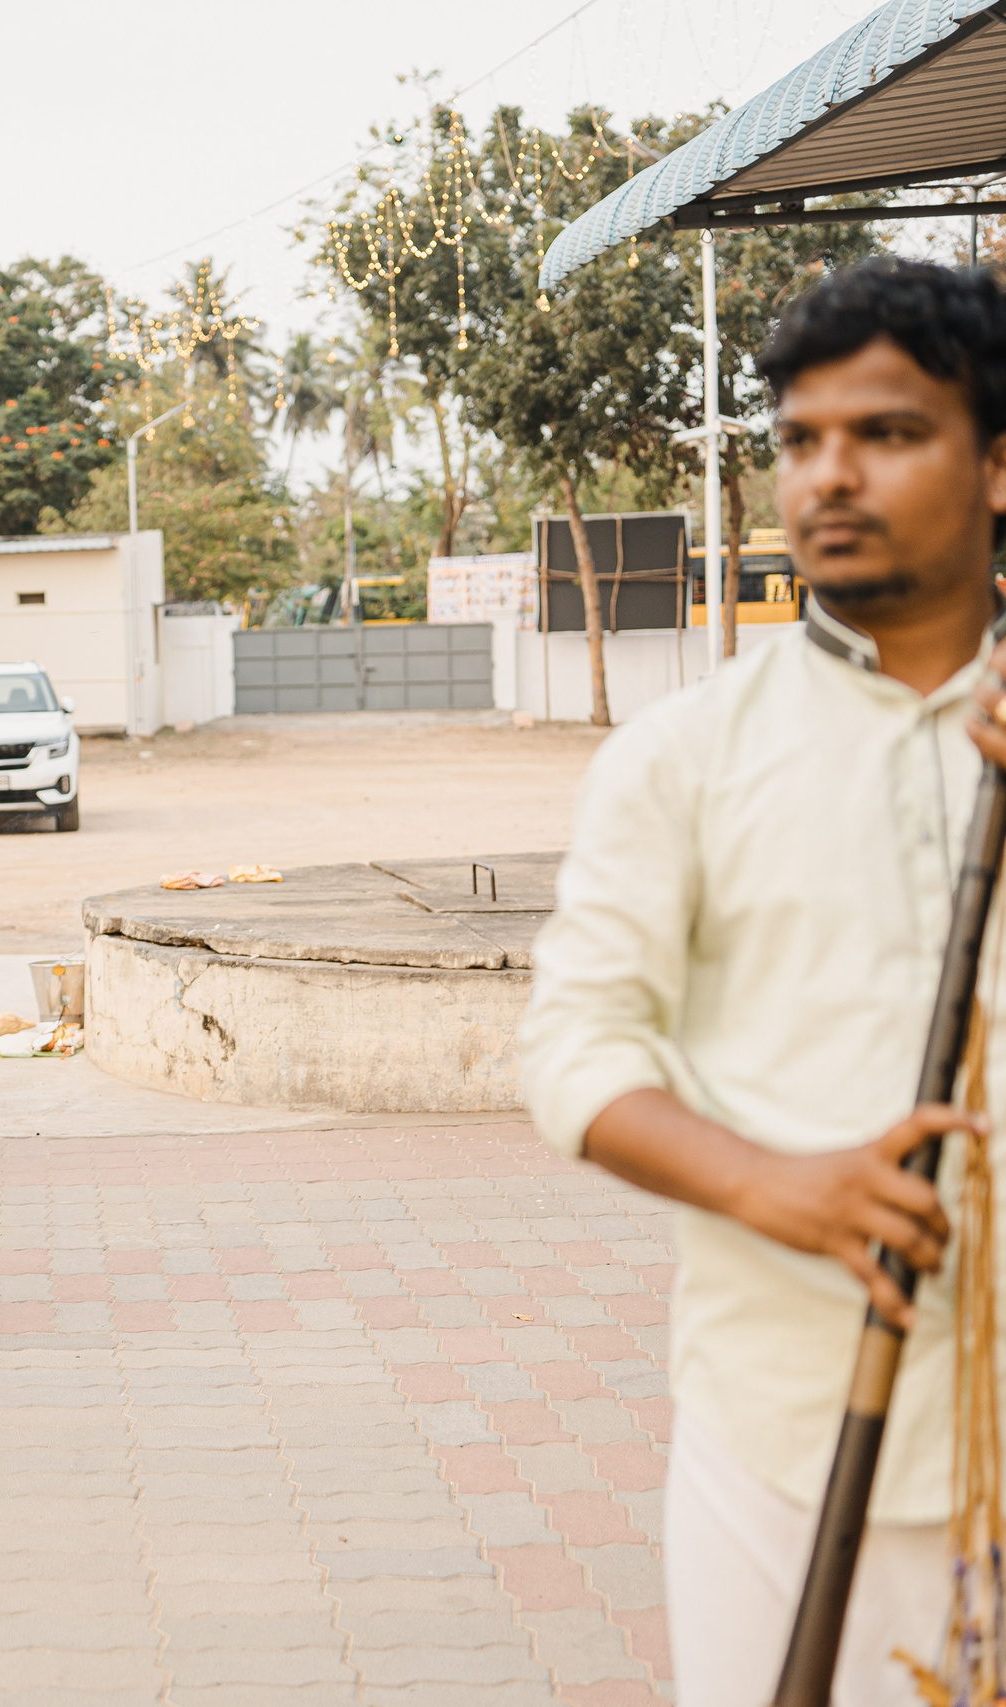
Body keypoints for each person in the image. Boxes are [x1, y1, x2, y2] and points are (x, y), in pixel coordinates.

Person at [522, 258, 1006, 1706]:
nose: (829, 476)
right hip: (791, 1424)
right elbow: (574, 1048)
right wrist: (769, 1181)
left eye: (890, 432)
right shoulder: (685, 753)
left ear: (996, 465)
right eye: (800, 440)